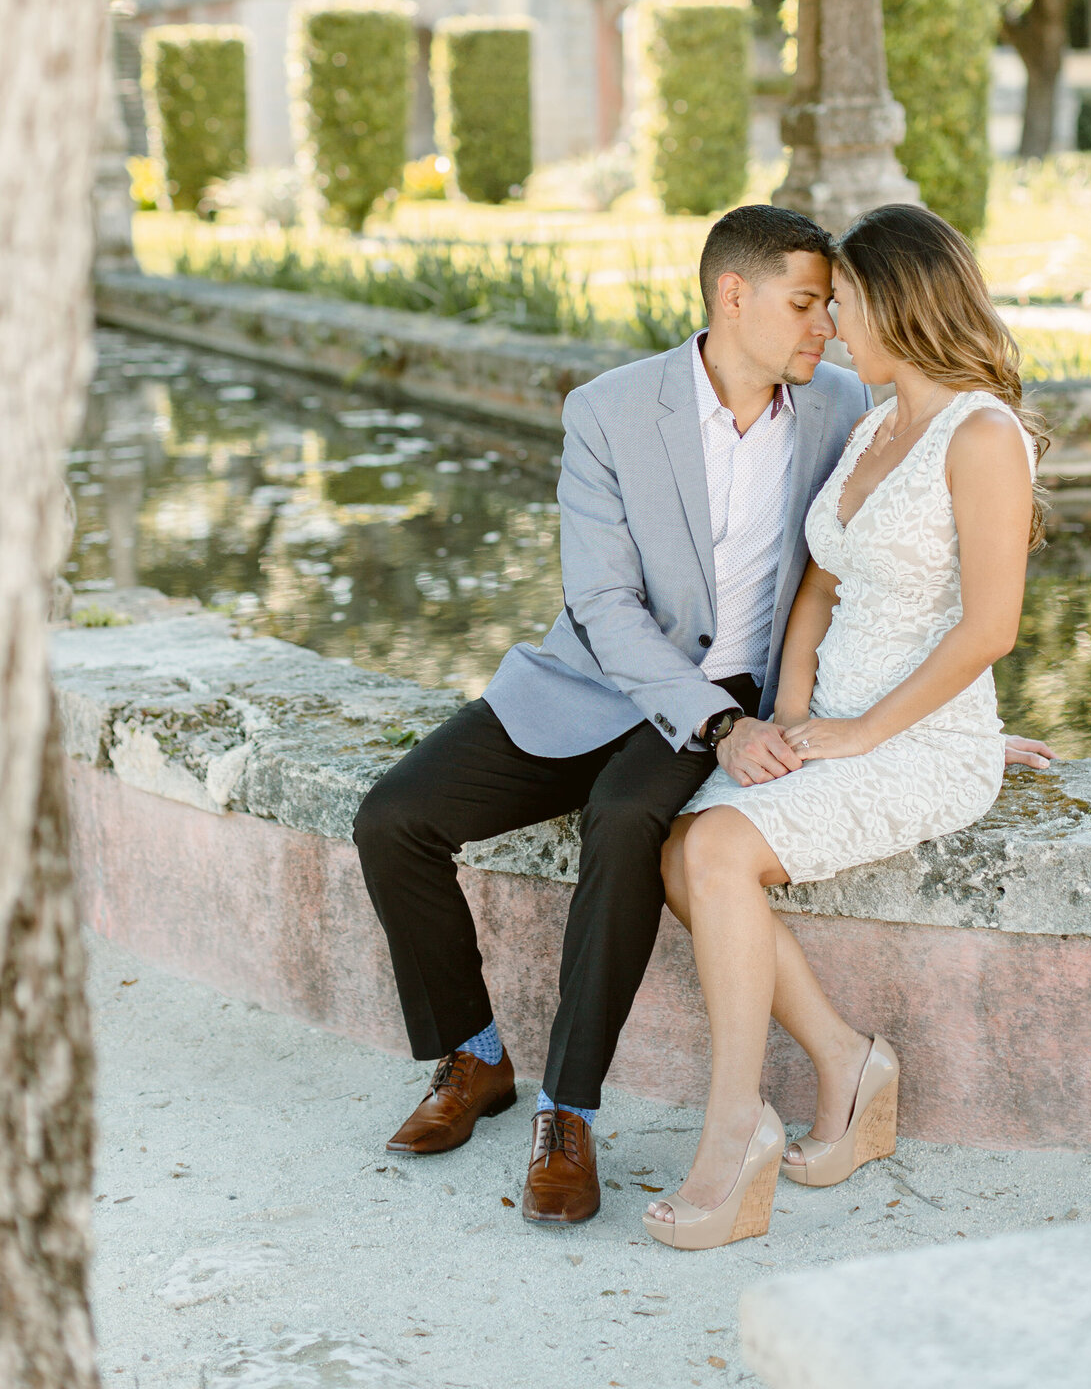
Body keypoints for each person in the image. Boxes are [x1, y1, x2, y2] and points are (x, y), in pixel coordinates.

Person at [353, 202, 1051, 1227]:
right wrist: (744, 723)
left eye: (835, 304)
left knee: (635, 825)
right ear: (735, 295)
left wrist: (923, 724)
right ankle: (474, 1056)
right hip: (603, 679)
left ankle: (568, 1110)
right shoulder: (610, 409)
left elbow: (943, 587)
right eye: (807, 302)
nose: (824, 324)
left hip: (741, 701)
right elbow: (602, 605)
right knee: (392, 817)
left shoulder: (849, 400)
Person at [644, 202, 1050, 1250]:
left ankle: (736, 1136)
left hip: (914, 746)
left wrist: (869, 732)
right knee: (683, 854)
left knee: (720, 847)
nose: (826, 327)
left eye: (844, 303)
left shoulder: (982, 434)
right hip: (832, 724)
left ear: (900, 305)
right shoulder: (874, 426)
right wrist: (789, 716)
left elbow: (989, 628)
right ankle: (847, 1060)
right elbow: (817, 592)